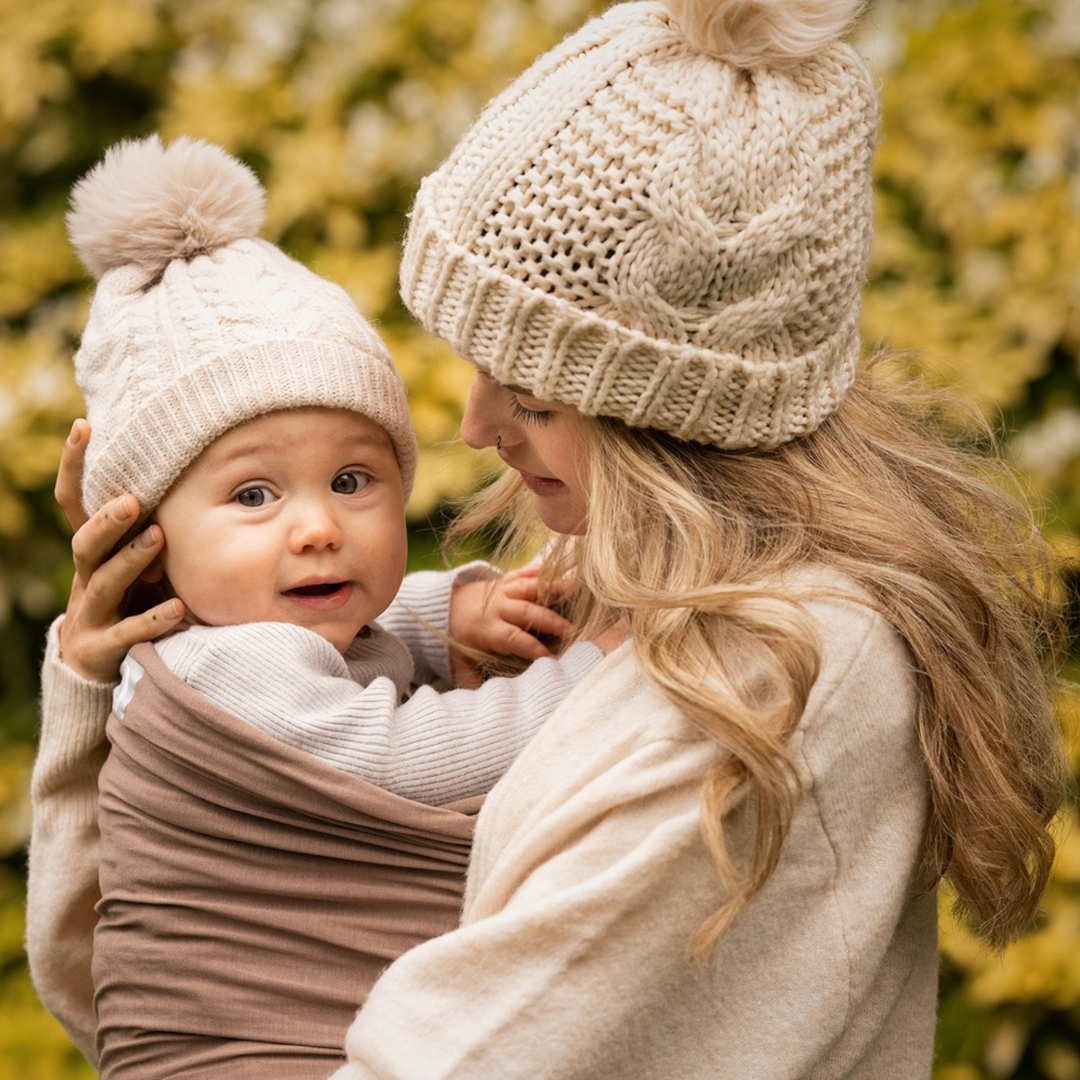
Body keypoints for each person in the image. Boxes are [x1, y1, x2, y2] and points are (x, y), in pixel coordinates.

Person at [30, 0, 1070, 1077]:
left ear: (666, 409)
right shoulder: (611, 584)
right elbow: (123, 983)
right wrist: (111, 669)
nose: (475, 428)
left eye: (529, 390)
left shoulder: (765, 670)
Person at [27, 135, 612, 1079]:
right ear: (146, 539)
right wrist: (600, 673)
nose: (316, 529)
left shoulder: (232, 639)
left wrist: (439, 617)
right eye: (254, 496)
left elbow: (348, 637)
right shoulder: (232, 664)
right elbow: (407, 757)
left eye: (351, 479)